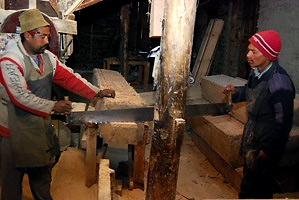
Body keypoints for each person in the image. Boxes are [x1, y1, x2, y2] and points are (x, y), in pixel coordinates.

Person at [0, 9, 115, 200]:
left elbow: (69, 78)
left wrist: (95, 92)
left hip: (37, 128)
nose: (47, 41)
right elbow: (19, 97)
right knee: (12, 184)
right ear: (28, 35)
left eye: (48, 36)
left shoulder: (47, 58)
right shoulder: (10, 61)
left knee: (42, 179)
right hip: (12, 131)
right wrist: (54, 106)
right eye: (43, 36)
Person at [223, 30, 295, 199]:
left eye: (253, 52)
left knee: (259, 188)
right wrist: (236, 92)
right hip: (253, 135)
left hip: (266, 141)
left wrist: (269, 149)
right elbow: (253, 93)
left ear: (268, 54)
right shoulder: (256, 72)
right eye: (248, 50)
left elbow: (284, 122)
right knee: (249, 181)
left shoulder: (279, 83)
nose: (248, 55)